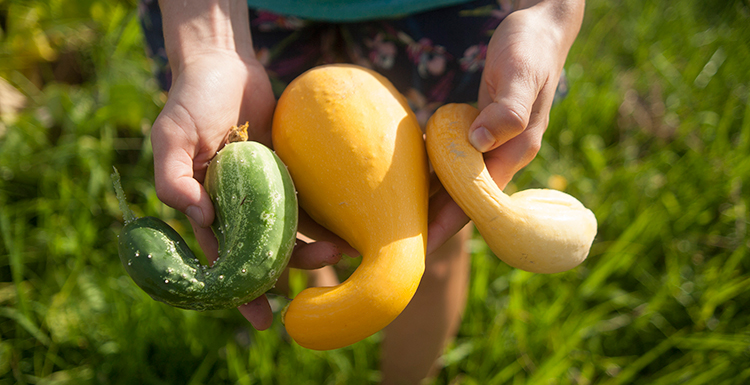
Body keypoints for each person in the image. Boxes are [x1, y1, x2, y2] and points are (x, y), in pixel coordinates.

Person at [139, 0, 584, 383]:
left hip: (443, 16)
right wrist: (212, 48)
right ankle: (323, 280)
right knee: (283, 222)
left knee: (433, 234)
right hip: (238, 14)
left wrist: (551, 13)